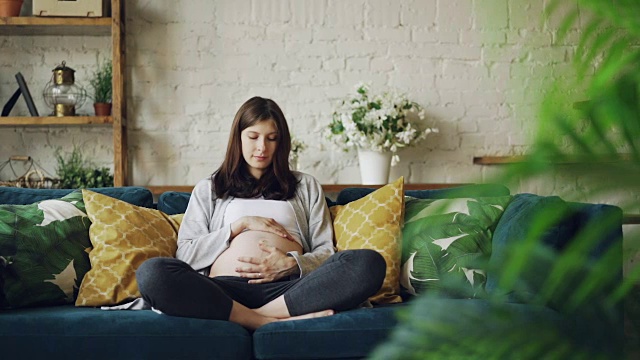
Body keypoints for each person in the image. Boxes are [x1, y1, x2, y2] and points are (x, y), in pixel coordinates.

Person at [136, 96, 386, 330]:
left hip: (288, 289)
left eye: (271, 138)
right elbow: (186, 255)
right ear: (238, 138)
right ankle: (263, 321)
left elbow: (326, 252)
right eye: (253, 136)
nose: (261, 147)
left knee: (368, 262)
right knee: (153, 273)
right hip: (223, 290)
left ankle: (258, 316)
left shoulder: (305, 186)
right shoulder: (211, 188)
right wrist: (240, 225)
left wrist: (291, 264)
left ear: (282, 142)